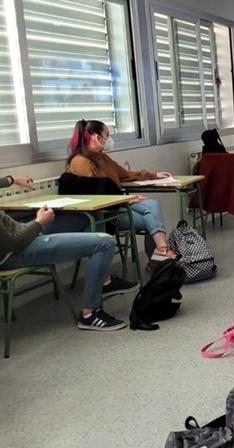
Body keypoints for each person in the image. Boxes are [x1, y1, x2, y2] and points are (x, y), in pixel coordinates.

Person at [0, 175, 139, 331]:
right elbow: (9, 244)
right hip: (15, 252)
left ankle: (104, 281)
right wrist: (39, 223)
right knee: (105, 243)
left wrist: (12, 179)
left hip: (26, 234)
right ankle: (90, 314)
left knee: (94, 213)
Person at [65, 119, 177, 267]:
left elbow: (124, 174)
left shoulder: (102, 157)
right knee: (152, 220)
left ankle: (160, 254)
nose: (109, 139)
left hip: (119, 204)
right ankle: (160, 256)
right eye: (107, 134)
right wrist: (126, 200)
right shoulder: (80, 162)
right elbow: (94, 195)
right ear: (96, 137)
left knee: (153, 205)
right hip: (105, 214)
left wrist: (154, 175)